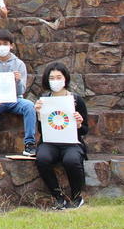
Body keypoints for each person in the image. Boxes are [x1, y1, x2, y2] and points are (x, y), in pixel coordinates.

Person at [33, 62, 88, 210]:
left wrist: (78, 124)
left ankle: (76, 197)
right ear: (46, 79)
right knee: (42, 158)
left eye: (59, 77)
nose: (55, 81)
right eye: (52, 77)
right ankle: (58, 197)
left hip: (72, 143)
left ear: (65, 79)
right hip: (49, 142)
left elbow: (85, 130)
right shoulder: (43, 101)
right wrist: (38, 114)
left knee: (72, 160)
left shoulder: (76, 100)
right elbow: (42, 129)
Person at [0, 29, 36, 157]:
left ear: (11, 45)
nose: (2, 47)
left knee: (29, 106)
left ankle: (30, 144)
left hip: (14, 99)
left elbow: (22, 91)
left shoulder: (19, 64)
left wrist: (18, 81)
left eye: (5, 43)